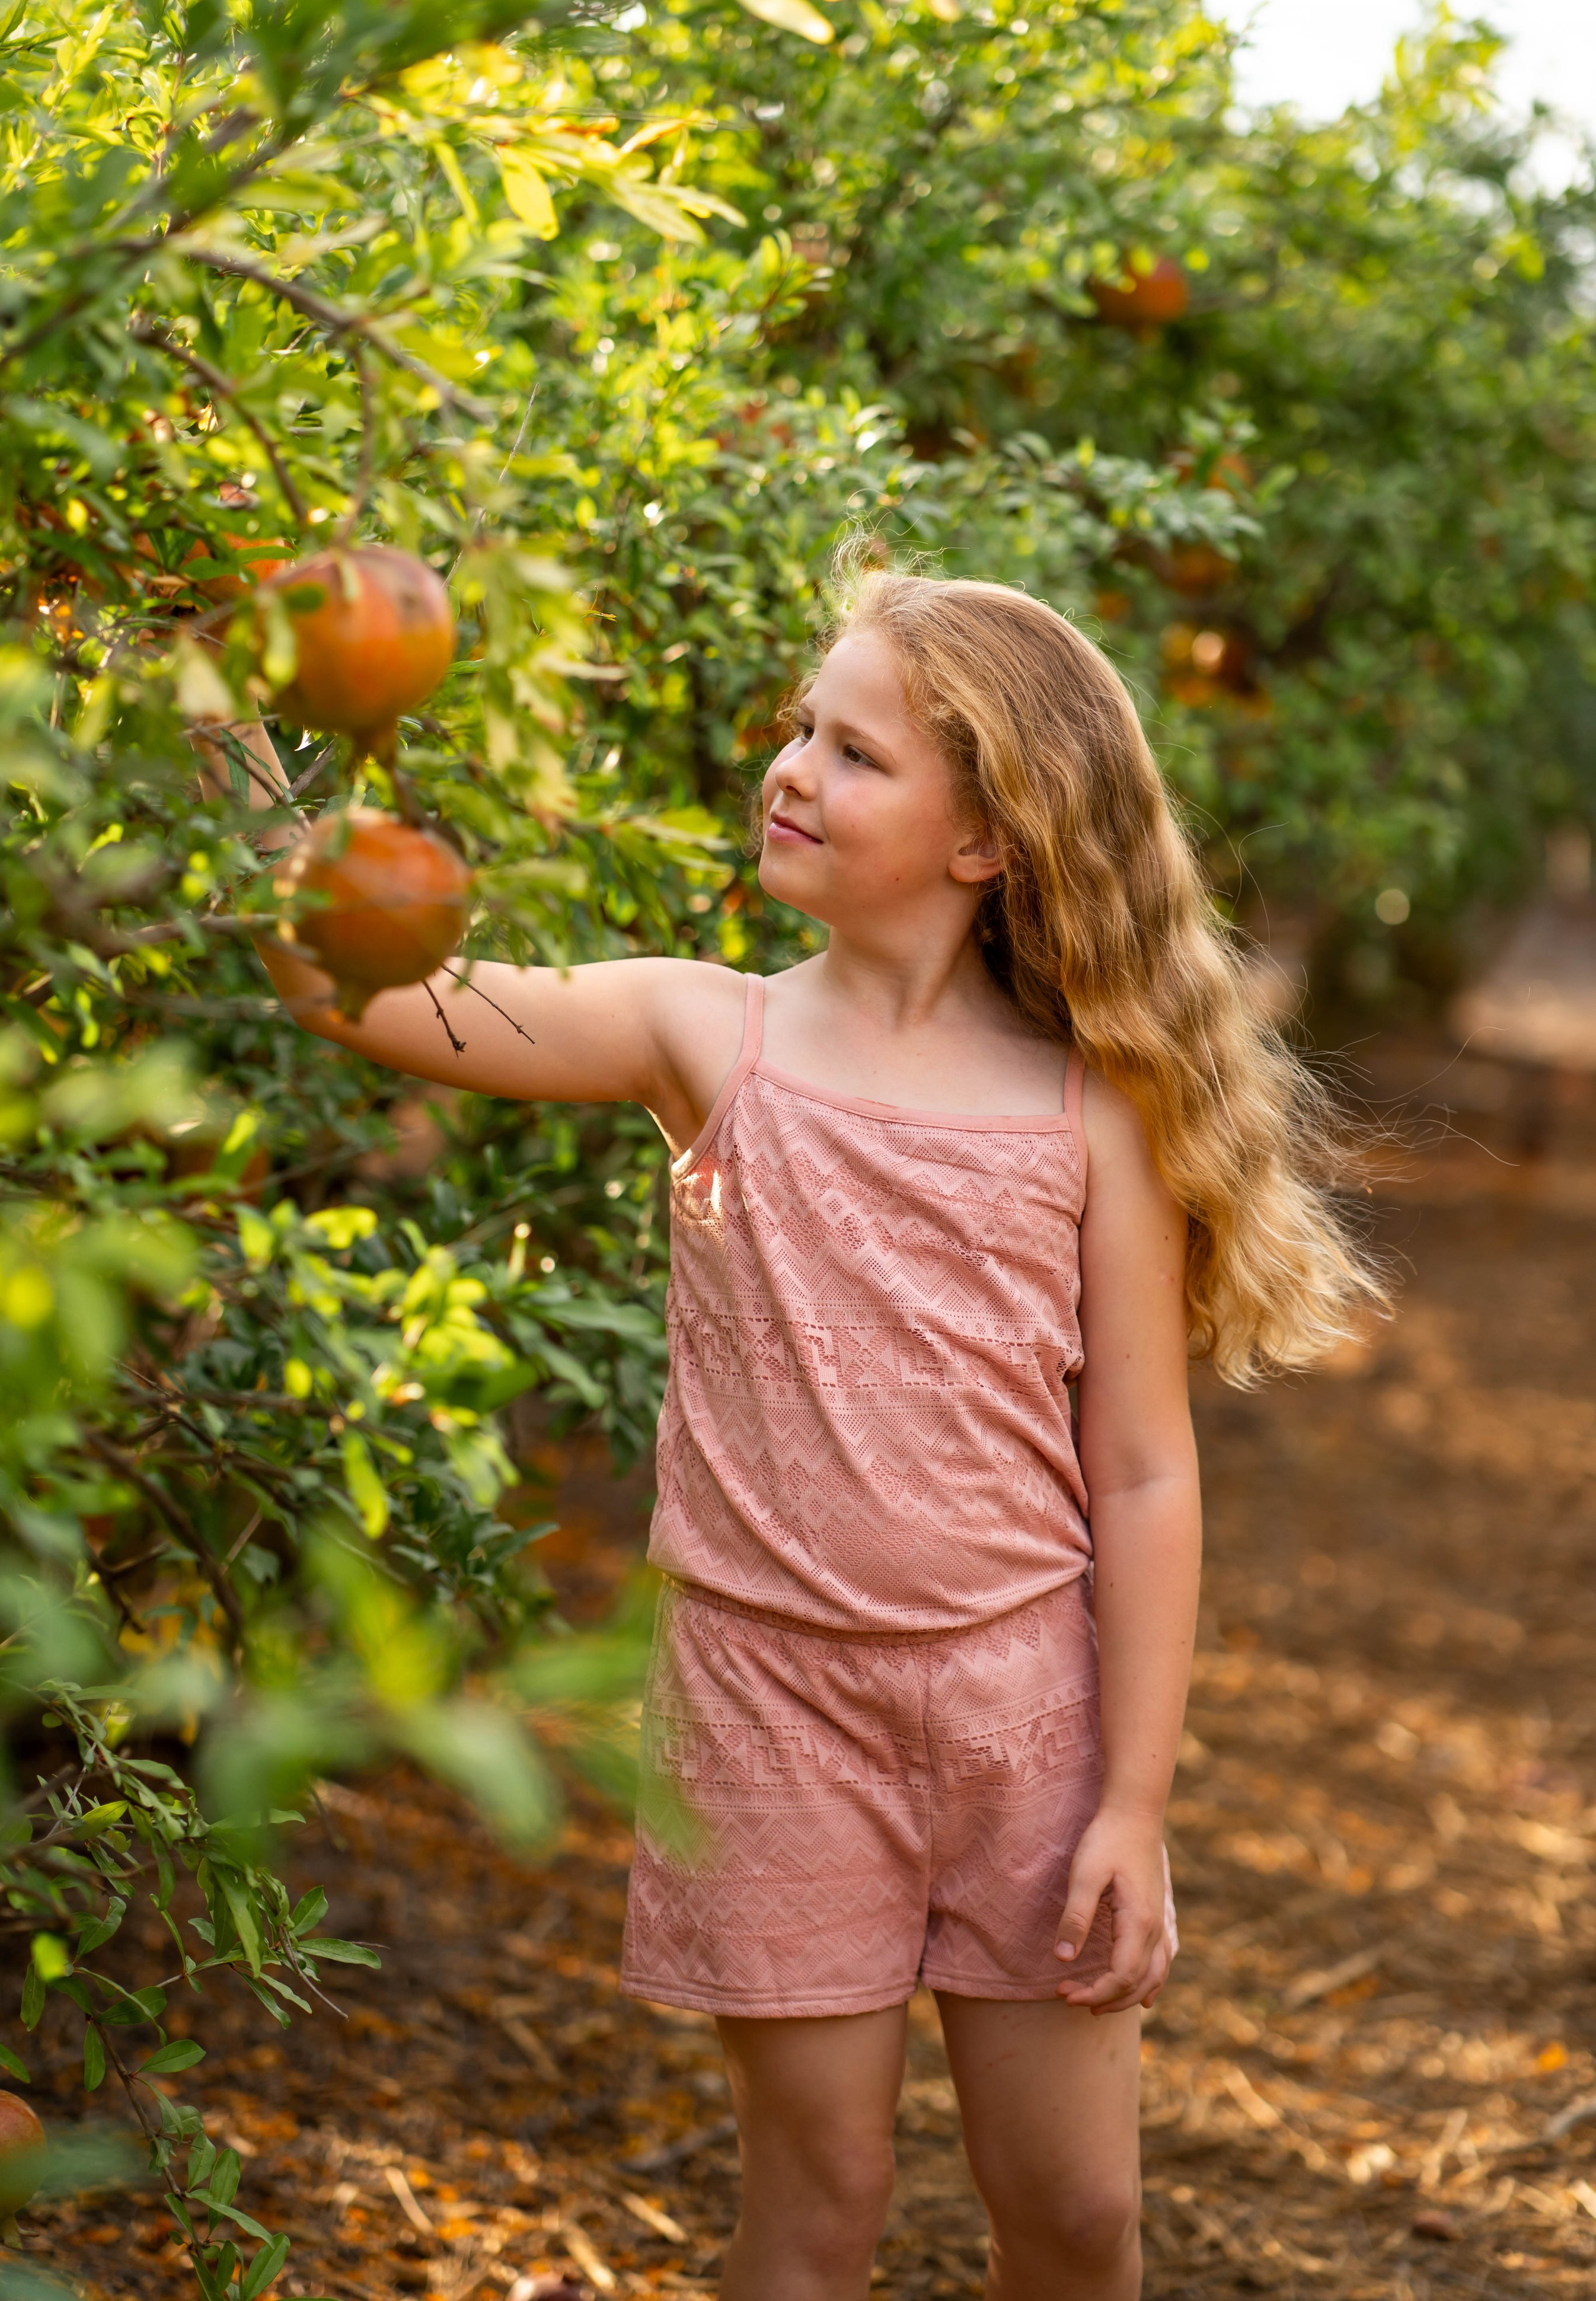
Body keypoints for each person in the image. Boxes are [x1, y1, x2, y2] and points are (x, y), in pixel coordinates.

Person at [204, 568, 1380, 2300]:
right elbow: (380, 994)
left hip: (1020, 1717)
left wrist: (1133, 1802)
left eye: (854, 753)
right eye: (798, 733)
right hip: (766, 1712)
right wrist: (239, 732)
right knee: (814, 2209)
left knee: (1075, 2219)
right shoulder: (710, 1034)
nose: (793, 772)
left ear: (990, 839)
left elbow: (1139, 1467)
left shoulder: (1090, 1114)